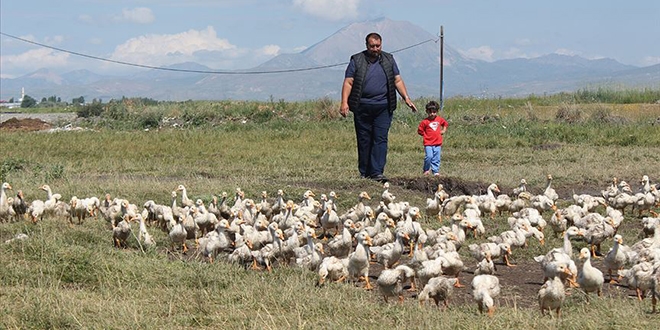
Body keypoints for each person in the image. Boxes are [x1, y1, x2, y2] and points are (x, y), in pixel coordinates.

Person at [340, 32, 417, 183]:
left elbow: (397, 80)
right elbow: (348, 82)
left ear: (381, 44)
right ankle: (364, 172)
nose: (375, 49)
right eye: (372, 46)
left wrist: (406, 98)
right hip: (362, 106)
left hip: (383, 107)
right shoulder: (357, 60)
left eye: (378, 46)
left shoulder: (389, 59)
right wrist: (344, 102)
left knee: (380, 139)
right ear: (366, 45)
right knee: (364, 139)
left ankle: (377, 172)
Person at [417, 100, 448, 176]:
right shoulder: (425, 121)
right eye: (430, 112)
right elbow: (420, 131)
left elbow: (445, 124)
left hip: (438, 143)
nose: (432, 114)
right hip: (428, 143)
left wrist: (443, 130)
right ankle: (426, 169)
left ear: (436, 112)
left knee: (436, 158)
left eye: (434, 112)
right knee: (429, 156)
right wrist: (426, 135)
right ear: (427, 112)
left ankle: (435, 171)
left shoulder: (439, 119)